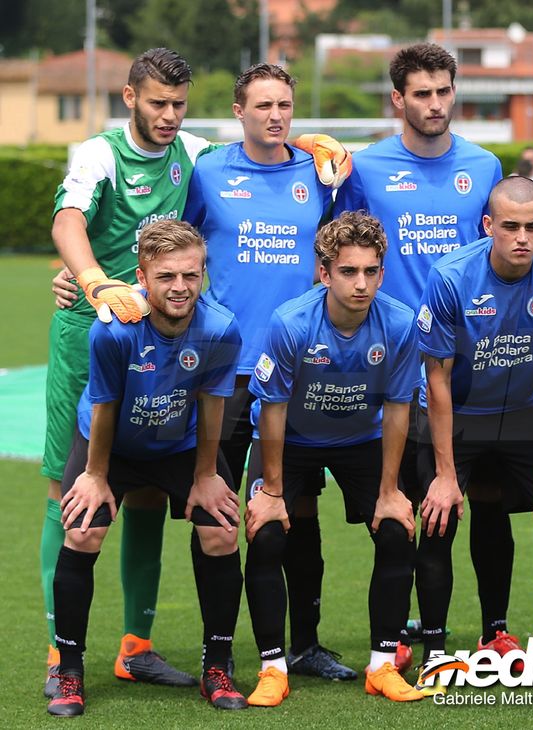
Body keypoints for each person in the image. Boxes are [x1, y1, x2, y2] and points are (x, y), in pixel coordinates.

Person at [335, 42, 519, 668]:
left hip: (473, 366)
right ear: (399, 99)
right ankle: (415, 630)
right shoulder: (363, 168)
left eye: (444, 91)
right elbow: (338, 250)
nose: (435, 104)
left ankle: (495, 628)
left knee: (485, 500)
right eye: (422, 93)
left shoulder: (485, 165)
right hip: (391, 364)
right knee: (407, 507)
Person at [181, 63, 356, 684]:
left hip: (301, 370)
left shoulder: (320, 173)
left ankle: (303, 646)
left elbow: (349, 247)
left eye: (284, 104)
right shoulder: (208, 172)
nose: (275, 115)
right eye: (262, 106)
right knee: (221, 513)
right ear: (239, 111)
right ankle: (218, 653)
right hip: (225, 374)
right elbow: (168, 243)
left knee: (296, 510)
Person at [45, 48, 210, 697]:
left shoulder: (194, 151)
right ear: (129, 97)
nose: (169, 116)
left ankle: (135, 648)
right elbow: (67, 220)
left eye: (179, 104)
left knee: (143, 490)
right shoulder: (98, 154)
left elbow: (256, 163)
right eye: (158, 103)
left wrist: (306, 140)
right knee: (73, 498)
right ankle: (64, 657)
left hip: (159, 344)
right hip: (87, 337)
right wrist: (90, 281)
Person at [47, 220, 246, 716]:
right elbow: (104, 406)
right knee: (83, 531)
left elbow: (213, 404)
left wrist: (205, 476)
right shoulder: (114, 329)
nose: (180, 288)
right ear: (142, 276)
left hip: (178, 443)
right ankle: (68, 671)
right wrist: (94, 476)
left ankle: (217, 666)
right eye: (166, 277)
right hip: (109, 445)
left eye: (190, 276)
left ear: (203, 274)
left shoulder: (221, 327)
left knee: (221, 530)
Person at [242, 211, 424, 705]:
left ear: (382, 273)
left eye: (370, 271)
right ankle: (273, 668)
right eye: (348, 271)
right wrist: (274, 492)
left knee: (396, 529)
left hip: (360, 441)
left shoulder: (402, 323)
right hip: (292, 439)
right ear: (324, 273)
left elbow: (398, 408)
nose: (360, 283)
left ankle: (383, 665)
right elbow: (272, 411)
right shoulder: (291, 322)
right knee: (266, 534)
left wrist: (389, 493)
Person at [414, 177, 533, 669]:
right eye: (510, 226)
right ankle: (435, 652)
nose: (522, 238)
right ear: (489, 226)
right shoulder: (450, 277)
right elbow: (437, 380)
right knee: (438, 520)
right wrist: (446, 477)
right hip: (456, 415)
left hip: (524, 413)